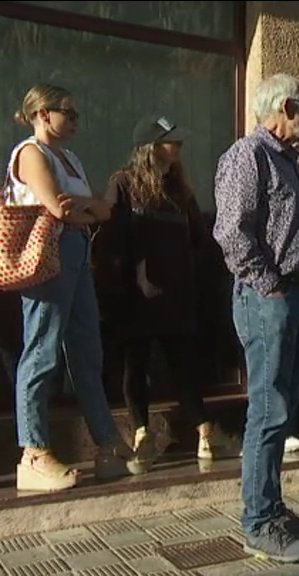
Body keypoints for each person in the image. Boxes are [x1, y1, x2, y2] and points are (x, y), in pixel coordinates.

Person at [213, 73, 299, 563]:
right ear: (287, 108)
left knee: (284, 408)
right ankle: (258, 522)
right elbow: (231, 232)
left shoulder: (288, 161)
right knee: (268, 410)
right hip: (270, 299)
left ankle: (273, 509)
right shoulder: (249, 155)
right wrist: (270, 285)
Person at [7, 84, 140, 492]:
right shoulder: (31, 153)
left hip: (77, 250)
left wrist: (82, 210)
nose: (76, 120)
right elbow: (56, 207)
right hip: (49, 253)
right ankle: (33, 452)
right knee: (42, 348)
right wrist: (84, 210)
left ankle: (106, 443)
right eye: (69, 112)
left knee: (87, 349)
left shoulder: (71, 158)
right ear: (42, 114)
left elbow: (103, 208)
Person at [102, 115, 234, 466]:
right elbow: (112, 242)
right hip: (136, 296)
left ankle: (204, 431)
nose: (178, 146)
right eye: (169, 140)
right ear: (150, 147)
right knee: (136, 367)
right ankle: (141, 433)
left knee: (183, 366)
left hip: (177, 296)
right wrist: (115, 289)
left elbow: (199, 239)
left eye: (178, 140)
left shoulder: (179, 190)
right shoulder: (123, 184)